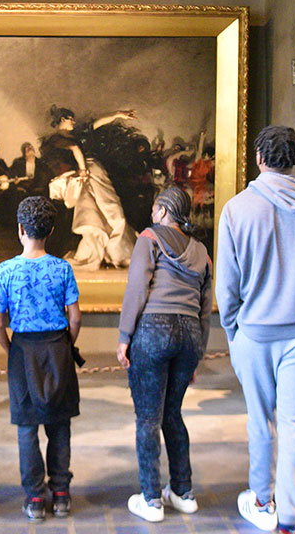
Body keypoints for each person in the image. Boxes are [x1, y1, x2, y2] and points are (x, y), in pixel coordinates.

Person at [215, 125, 295, 534]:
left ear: (259, 158)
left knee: (261, 421)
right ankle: (289, 518)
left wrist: (235, 332)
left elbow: (227, 287)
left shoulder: (237, 209)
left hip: (254, 335)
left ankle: (261, 499)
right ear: (294, 160)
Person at [116, 186, 212, 523]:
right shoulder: (201, 251)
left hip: (153, 330)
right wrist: (197, 354)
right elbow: (204, 309)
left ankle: (151, 499)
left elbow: (137, 288)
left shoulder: (149, 238)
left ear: (161, 210)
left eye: (155, 207)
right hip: (188, 335)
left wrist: (125, 336)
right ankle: (183, 492)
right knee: (172, 414)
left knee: (148, 417)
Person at [0, 196, 82, 523]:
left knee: (27, 427)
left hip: (23, 350)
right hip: (58, 348)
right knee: (59, 424)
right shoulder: (63, 268)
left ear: (20, 229)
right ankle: (61, 493)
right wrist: (66, 343)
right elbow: (76, 318)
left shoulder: (5, 271)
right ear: (51, 230)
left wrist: (11, 349)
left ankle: (35, 498)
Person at [41, 105, 136, 270]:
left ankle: (115, 254)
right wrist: (83, 170)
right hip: (86, 173)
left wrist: (118, 113)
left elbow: (98, 122)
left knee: (107, 211)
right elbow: (74, 148)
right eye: (71, 119)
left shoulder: (75, 134)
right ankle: (112, 255)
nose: (74, 121)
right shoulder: (56, 139)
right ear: (62, 119)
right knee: (101, 213)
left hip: (88, 173)